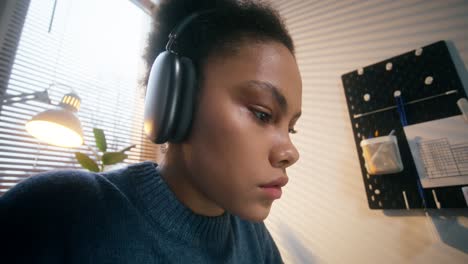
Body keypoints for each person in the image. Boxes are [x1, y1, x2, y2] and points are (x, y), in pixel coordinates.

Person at [0, 0, 302, 263]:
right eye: (263, 114)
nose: (290, 152)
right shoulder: (58, 212)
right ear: (174, 101)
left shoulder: (256, 241)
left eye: (291, 128)